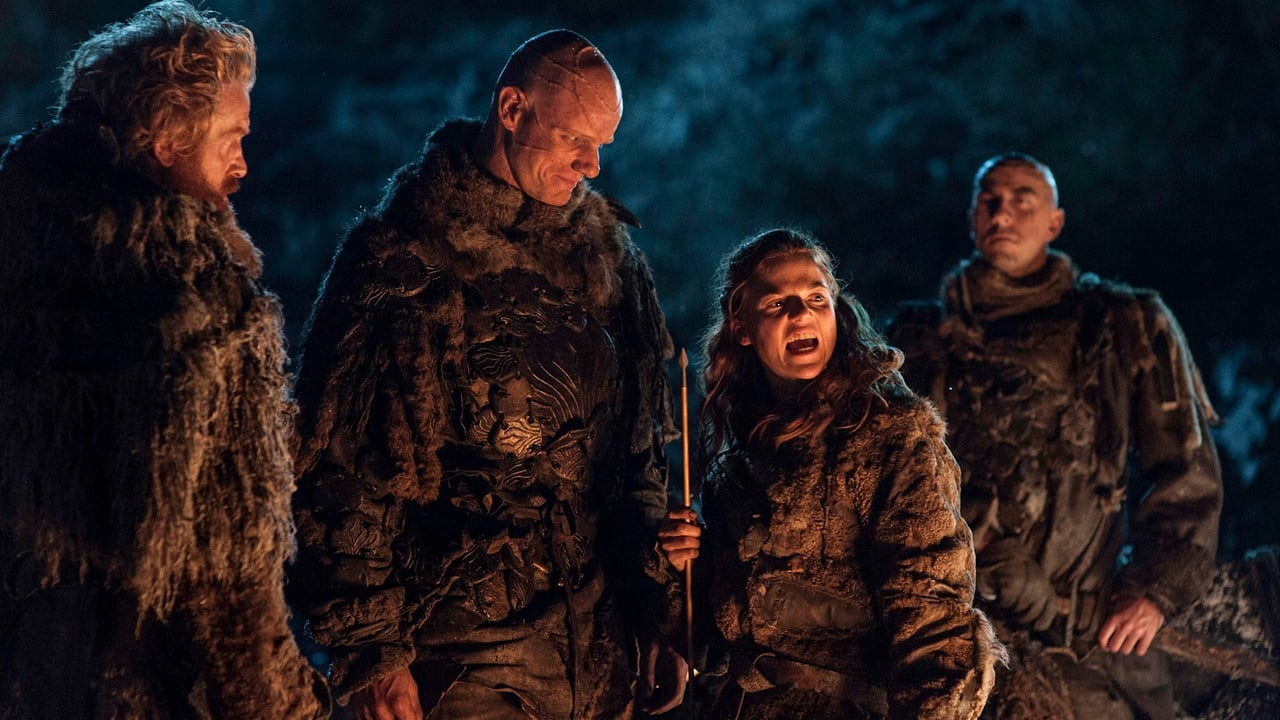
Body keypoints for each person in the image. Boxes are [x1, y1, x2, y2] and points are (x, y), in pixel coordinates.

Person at [288, 29, 687, 720]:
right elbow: (342, 475)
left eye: (602, 146)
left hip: (600, 659)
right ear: (512, 109)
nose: (592, 166)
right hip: (458, 662)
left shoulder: (609, 263)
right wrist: (374, 653)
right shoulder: (403, 263)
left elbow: (637, 460)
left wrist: (657, 612)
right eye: (574, 140)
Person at [0, 2, 328, 718]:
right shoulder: (197, 300)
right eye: (232, 137)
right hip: (142, 683)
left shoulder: (20, 256)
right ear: (167, 140)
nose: (243, 161)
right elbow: (229, 574)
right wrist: (289, 706)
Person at [885, 153, 1224, 719]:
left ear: (1054, 223)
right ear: (972, 219)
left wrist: (1154, 591)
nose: (1003, 214)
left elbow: (1186, 468)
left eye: (1023, 200)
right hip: (953, 628)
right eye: (990, 201)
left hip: (1082, 633)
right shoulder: (918, 341)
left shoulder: (1121, 324)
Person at [657, 228, 1003, 719]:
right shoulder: (738, 465)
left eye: (816, 297)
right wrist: (686, 566)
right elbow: (721, 635)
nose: (801, 313)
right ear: (742, 328)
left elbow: (932, 614)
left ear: (835, 312)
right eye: (777, 303)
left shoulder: (888, 435)